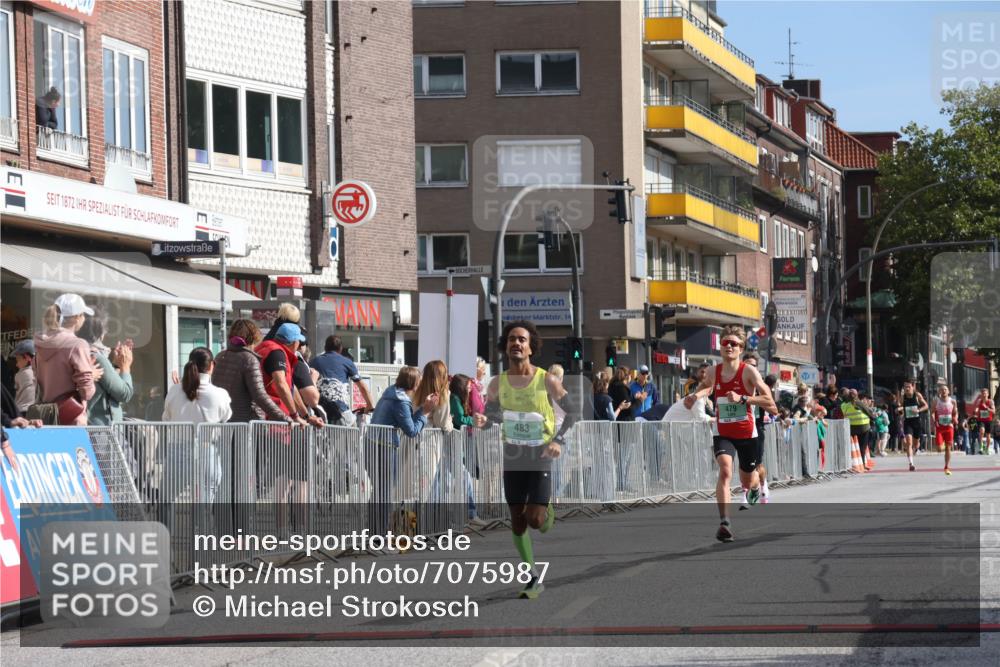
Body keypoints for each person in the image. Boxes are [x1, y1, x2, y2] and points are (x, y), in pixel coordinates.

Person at [483, 320, 578, 599]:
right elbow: (491, 416)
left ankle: (546, 511)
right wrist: (483, 421)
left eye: (522, 339)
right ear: (505, 346)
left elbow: (573, 412)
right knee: (517, 519)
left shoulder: (547, 380)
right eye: (512, 339)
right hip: (513, 454)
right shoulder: (497, 383)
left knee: (535, 520)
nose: (516, 343)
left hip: (540, 453)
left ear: (531, 347)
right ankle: (532, 577)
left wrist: (558, 441)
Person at [685, 325, 776, 542]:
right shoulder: (713, 371)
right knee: (725, 470)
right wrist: (695, 397)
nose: (729, 346)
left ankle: (756, 485)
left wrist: (744, 398)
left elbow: (769, 400)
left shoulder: (749, 371)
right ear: (720, 346)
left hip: (746, 433)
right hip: (723, 431)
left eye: (733, 343)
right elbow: (707, 387)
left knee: (747, 480)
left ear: (741, 348)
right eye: (725, 343)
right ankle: (724, 522)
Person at [33, 294, 102, 425]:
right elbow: (87, 392)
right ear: (77, 317)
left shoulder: (41, 344)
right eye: (83, 315)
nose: (84, 318)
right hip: (71, 417)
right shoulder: (77, 344)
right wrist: (91, 375)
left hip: (46, 417)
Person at [211, 319, 293, 424]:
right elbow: (260, 395)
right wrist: (284, 417)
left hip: (223, 421)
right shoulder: (249, 359)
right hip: (247, 421)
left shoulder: (220, 356)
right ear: (253, 337)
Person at [77, 307, 134, 425]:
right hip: (101, 429)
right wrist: (125, 366)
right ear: (101, 332)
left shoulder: (80, 352)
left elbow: (108, 386)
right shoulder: (96, 357)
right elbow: (125, 394)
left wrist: (115, 365)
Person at [311, 335, 375, 426]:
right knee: (353, 432)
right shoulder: (347, 362)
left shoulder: (314, 361)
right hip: (341, 412)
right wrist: (369, 405)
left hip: (319, 413)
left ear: (325, 347)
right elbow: (362, 387)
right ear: (340, 348)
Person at [739, 353, 776, 507]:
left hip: (757, 428)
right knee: (743, 466)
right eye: (747, 365)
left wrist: (754, 400)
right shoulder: (737, 385)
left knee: (758, 465)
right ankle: (745, 495)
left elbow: (774, 409)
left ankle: (763, 484)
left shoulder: (761, 388)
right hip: (740, 429)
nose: (750, 368)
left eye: (753, 365)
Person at [163, 347, 232, 424]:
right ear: (211, 365)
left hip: (178, 432)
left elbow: (166, 418)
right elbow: (226, 418)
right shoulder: (221, 394)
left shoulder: (174, 391)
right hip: (209, 433)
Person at [897, 380, 928, 471]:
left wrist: (918, 410)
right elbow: (901, 407)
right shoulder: (903, 397)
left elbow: (926, 406)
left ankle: (916, 448)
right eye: (905, 387)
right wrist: (899, 410)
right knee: (909, 443)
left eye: (908, 387)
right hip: (908, 422)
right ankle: (911, 464)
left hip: (917, 422)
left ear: (913, 387)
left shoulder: (917, 395)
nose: (907, 388)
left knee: (915, 444)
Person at [415, 360, 453, 431]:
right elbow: (441, 424)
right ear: (442, 376)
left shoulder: (417, 391)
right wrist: (449, 422)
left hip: (415, 435)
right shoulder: (443, 394)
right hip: (431, 436)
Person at [931, 384, 957, 475]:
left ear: (948, 391)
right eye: (942, 389)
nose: (944, 391)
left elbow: (955, 413)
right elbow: (932, 412)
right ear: (939, 392)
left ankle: (946, 466)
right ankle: (942, 447)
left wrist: (955, 418)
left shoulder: (952, 401)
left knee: (948, 448)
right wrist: (934, 421)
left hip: (949, 427)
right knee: (939, 448)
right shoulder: (936, 401)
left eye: (945, 389)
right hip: (940, 427)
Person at [11, 340, 37, 416]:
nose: (16, 364)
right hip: (36, 409)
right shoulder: (39, 371)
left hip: (21, 410)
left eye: (18, 359)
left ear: (27, 357)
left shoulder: (20, 374)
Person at [972, 388, 995, 455]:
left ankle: (987, 449)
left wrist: (987, 408)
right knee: (982, 431)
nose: (984, 395)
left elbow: (993, 411)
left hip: (988, 420)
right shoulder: (979, 401)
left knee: (988, 435)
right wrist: (976, 410)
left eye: (985, 393)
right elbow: (977, 407)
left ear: (988, 394)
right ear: (981, 395)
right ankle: (981, 447)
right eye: (982, 394)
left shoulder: (990, 402)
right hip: (981, 419)